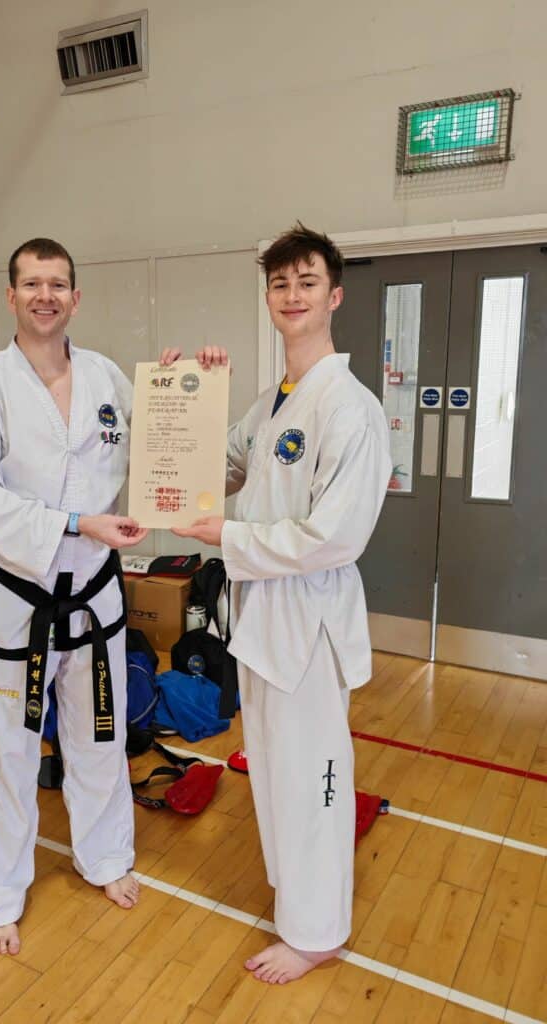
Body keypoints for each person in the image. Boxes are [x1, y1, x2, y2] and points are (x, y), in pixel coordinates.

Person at [164, 223, 391, 984]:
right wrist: (181, 396)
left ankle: (319, 931)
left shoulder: (349, 408)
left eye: (306, 282)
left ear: (334, 295)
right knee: (275, 774)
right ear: (268, 298)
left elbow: (336, 537)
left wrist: (228, 537)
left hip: (308, 625)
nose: (292, 296)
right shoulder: (271, 404)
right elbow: (213, 467)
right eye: (279, 284)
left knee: (316, 782)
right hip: (260, 622)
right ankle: (297, 902)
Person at [0, 238, 149, 957]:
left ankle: (105, 858)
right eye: (31, 283)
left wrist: (193, 387)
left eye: (57, 284)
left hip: (93, 593)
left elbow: (158, 457)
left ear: (75, 297)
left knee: (100, 736)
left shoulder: (108, 379)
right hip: (17, 595)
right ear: (11, 296)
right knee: (5, 750)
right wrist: (72, 522)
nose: (45, 295)